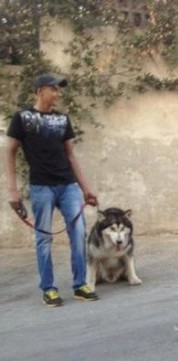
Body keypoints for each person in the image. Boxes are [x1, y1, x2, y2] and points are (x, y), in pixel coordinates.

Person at [6, 73, 100, 307]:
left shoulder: (62, 120)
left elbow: (70, 155)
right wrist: (13, 191)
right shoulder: (22, 118)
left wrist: (86, 189)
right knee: (44, 239)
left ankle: (80, 285)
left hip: (68, 186)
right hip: (41, 187)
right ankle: (49, 289)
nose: (58, 94)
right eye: (53, 89)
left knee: (78, 233)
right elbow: (9, 152)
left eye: (59, 90)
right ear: (39, 91)